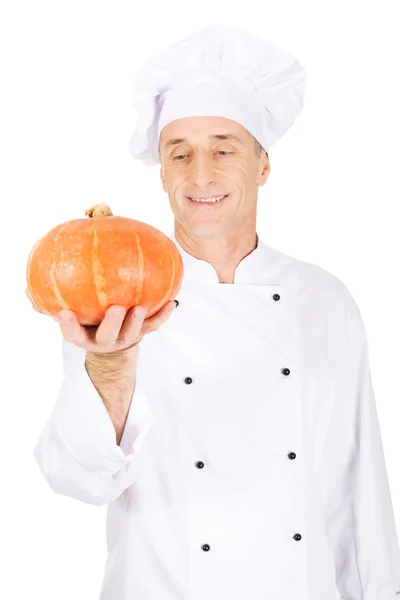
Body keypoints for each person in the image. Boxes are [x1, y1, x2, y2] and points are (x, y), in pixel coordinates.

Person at [31, 24, 400, 600]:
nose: (201, 175)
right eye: (180, 155)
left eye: (224, 149)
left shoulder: (324, 300)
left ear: (262, 166)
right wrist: (108, 369)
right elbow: (78, 479)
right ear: (163, 175)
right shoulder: (117, 297)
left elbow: (362, 491)